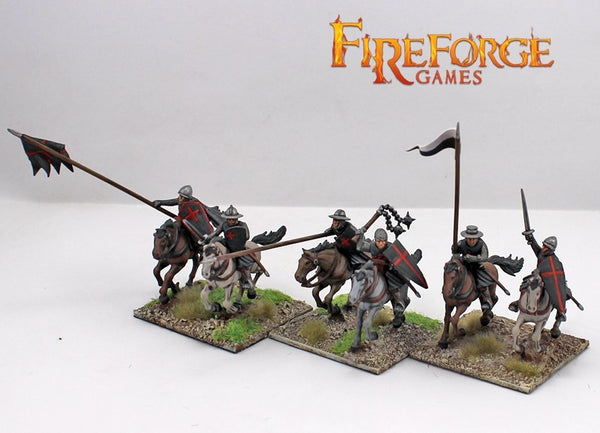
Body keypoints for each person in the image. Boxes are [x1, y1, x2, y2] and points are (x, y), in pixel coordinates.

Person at [357, 228, 420, 327]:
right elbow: (359, 246)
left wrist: (396, 264)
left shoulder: (392, 249)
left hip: (391, 274)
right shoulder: (372, 246)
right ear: (375, 240)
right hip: (378, 271)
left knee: (396, 291)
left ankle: (399, 310)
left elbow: (402, 261)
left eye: (383, 241)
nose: (381, 244)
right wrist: (361, 235)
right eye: (378, 241)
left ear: (386, 241)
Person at [509, 233, 569, 335]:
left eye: (545, 247)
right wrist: (530, 237)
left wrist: (538, 271)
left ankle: (559, 318)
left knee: (560, 295)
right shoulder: (542, 253)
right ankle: (518, 303)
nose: (543, 248)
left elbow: (555, 273)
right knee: (526, 284)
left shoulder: (554, 261)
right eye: (543, 246)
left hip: (551, 281)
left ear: (550, 249)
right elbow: (535, 248)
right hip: (539, 277)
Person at [204, 205, 256, 297]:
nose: (231, 221)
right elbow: (216, 233)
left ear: (236, 218)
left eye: (233, 219)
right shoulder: (224, 224)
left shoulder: (242, 225)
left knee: (242, 263)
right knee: (216, 246)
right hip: (227, 244)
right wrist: (208, 238)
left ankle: (247, 280)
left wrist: (237, 239)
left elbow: (247, 236)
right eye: (229, 219)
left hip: (239, 247)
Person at [153, 185, 221, 242]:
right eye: (180, 196)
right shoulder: (181, 200)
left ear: (186, 198)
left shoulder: (194, 202)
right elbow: (172, 201)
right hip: (184, 222)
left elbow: (206, 210)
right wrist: (160, 202)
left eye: (181, 197)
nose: (179, 198)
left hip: (194, 226)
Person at [452, 225, 496, 311]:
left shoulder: (481, 244)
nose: (471, 241)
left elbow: (484, 257)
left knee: (481, 280)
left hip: (476, 265)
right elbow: (456, 253)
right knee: (452, 274)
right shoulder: (461, 243)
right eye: (469, 239)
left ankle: (487, 300)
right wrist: (454, 248)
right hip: (464, 264)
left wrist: (473, 258)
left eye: (473, 239)